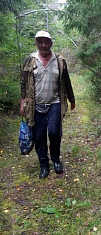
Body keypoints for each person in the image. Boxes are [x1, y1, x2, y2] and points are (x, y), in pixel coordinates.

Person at [20, 30, 75, 179]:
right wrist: (22, 101)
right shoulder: (30, 60)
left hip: (55, 104)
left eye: (46, 42)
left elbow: (66, 81)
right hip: (35, 105)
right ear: (36, 43)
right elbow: (24, 82)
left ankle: (56, 159)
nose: (43, 45)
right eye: (40, 41)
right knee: (39, 137)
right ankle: (44, 165)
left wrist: (72, 99)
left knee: (54, 133)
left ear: (51, 43)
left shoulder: (59, 60)